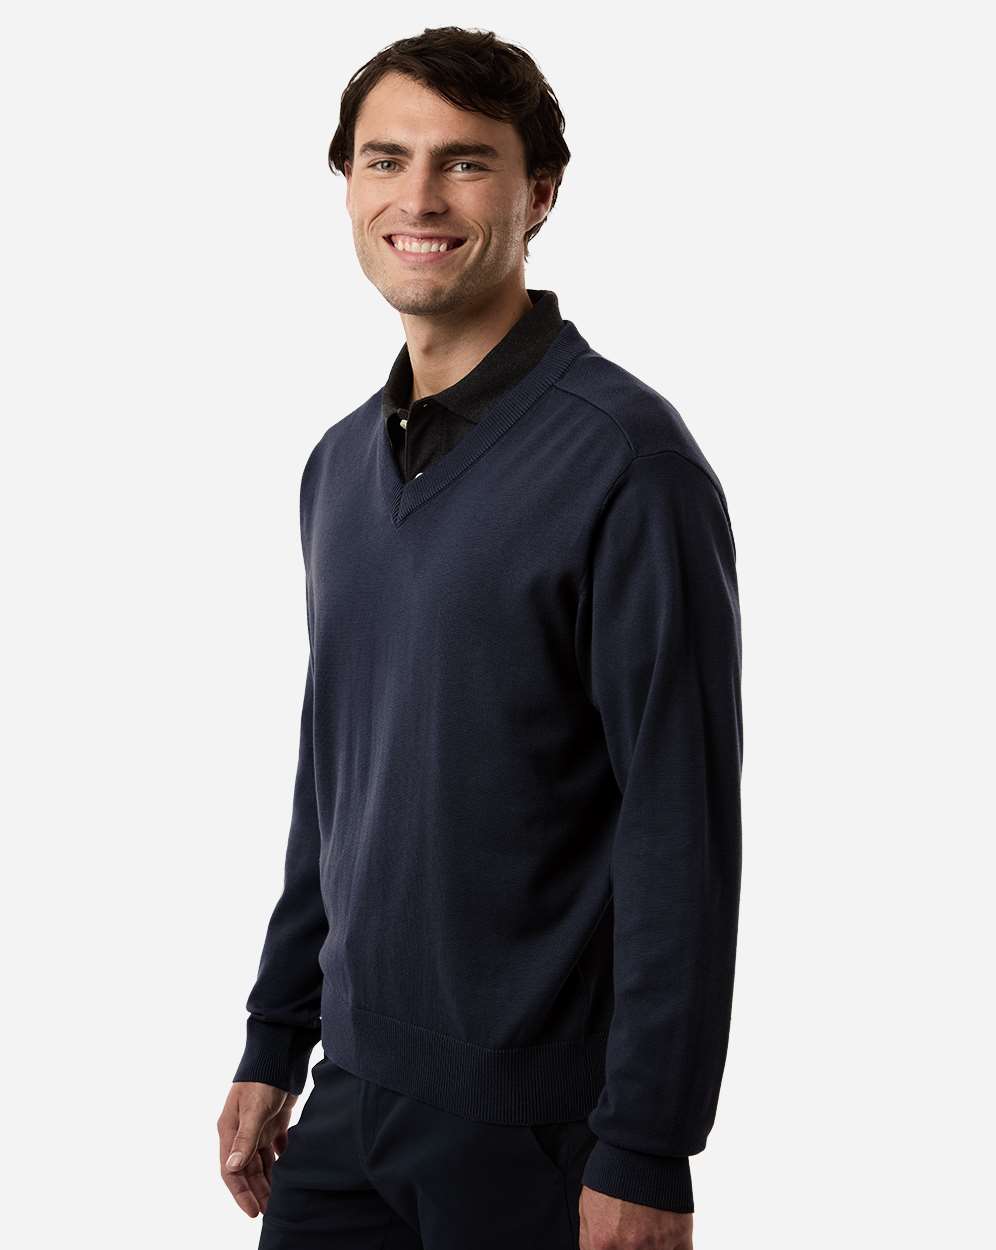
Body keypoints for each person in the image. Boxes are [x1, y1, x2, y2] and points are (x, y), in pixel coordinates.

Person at [216, 25, 743, 1250]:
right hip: (349, 1099)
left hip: (540, 1128)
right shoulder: (338, 466)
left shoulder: (627, 462)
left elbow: (679, 823)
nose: (417, 197)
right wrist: (274, 1034)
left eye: (463, 162)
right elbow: (336, 775)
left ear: (538, 193)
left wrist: (646, 1143)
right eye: (384, 159)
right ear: (347, 183)